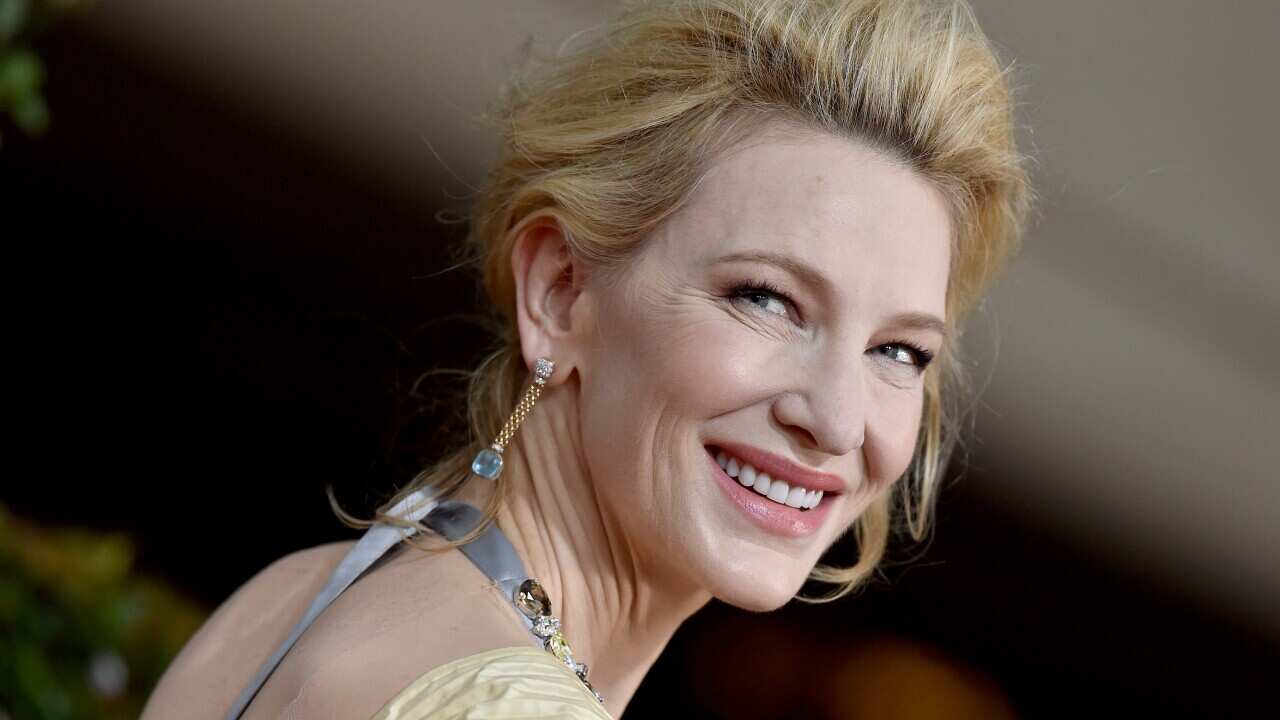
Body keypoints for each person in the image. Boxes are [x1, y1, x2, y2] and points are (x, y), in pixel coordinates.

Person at [142, 0, 1031, 717]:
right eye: (766, 299)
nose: (836, 419)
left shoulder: (288, 602)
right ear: (560, 292)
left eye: (899, 351)